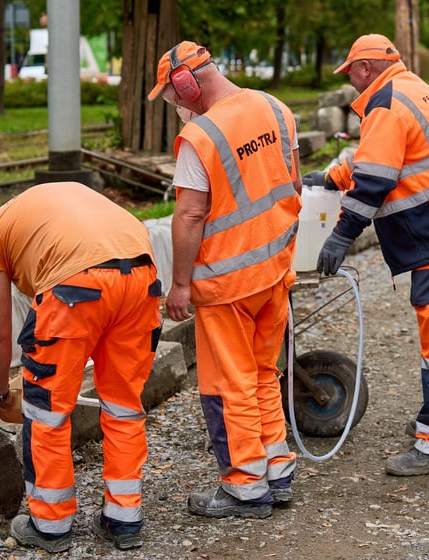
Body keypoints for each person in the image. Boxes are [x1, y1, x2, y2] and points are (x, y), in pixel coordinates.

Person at [302, 34, 429, 476]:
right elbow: (385, 156)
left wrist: (339, 237)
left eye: (349, 71)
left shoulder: (386, 104)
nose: (349, 81)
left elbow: (374, 180)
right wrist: (333, 176)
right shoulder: (410, 88)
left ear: (366, 68)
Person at [148, 41, 302, 519]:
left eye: (172, 95)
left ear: (187, 83)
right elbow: (293, 185)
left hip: (227, 284)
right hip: (276, 271)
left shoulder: (202, 137)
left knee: (228, 383)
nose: (175, 105)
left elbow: (190, 215)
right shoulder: (276, 109)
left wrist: (179, 285)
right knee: (262, 373)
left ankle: (244, 487)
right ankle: (278, 473)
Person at [0, 182, 162, 552]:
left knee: (48, 411)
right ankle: (123, 520)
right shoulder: (60, 202)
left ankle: (50, 525)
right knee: (124, 406)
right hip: (142, 277)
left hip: (77, 286)